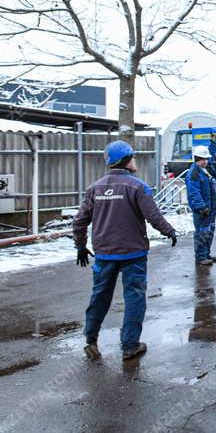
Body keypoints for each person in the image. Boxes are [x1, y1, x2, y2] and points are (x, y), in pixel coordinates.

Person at [73, 140, 178, 360]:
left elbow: (80, 221)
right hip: (133, 254)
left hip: (104, 253)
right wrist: (170, 231)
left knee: (100, 296)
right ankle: (130, 345)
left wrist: (81, 246)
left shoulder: (95, 188)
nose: (135, 161)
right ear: (126, 160)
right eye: (133, 157)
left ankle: (90, 340)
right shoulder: (138, 187)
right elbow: (153, 216)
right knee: (134, 297)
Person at [186, 145, 216, 267]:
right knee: (202, 232)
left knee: (209, 231)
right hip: (202, 210)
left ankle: (206, 254)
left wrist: (213, 145)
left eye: (206, 159)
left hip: (210, 208)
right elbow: (194, 192)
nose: (205, 161)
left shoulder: (206, 170)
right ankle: (200, 257)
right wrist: (201, 207)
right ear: (196, 159)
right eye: (202, 159)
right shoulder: (194, 173)